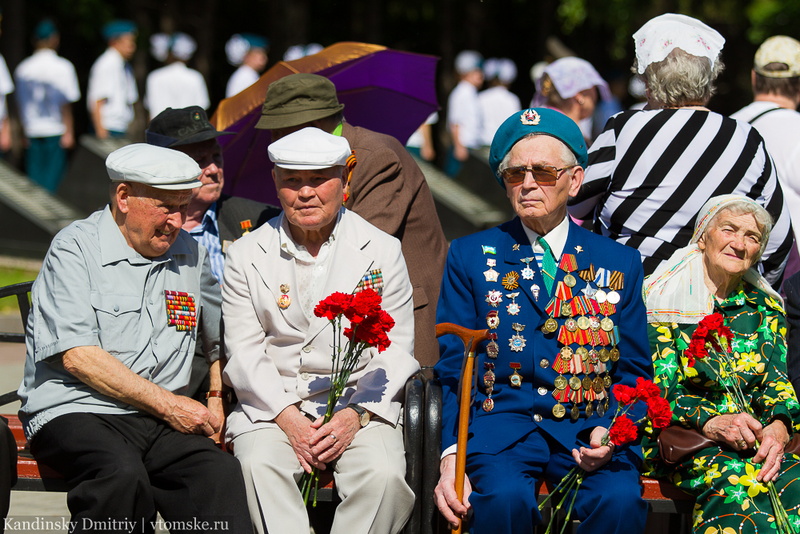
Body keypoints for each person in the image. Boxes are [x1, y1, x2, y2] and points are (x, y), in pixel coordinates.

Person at [433, 108, 653, 534]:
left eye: (544, 172)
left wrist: (612, 432)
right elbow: (452, 369)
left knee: (620, 501)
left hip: (590, 429)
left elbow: (633, 372)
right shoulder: (471, 254)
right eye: (516, 173)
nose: (529, 183)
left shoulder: (618, 262)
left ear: (574, 181)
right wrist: (449, 457)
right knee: (503, 501)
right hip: (502, 431)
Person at [17, 143, 252, 533]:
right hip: (77, 409)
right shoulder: (75, 248)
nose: (177, 221)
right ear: (124, 197)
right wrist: (170, 406)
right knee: (119, 476)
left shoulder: (189, 253)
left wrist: (214, 394)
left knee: (218, 475)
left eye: (183, 206)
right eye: (166, 206)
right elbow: (78, 356)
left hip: (157, 418)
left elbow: (220, 334)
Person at [222, 127, 418, 534]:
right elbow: (244, 351)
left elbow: (396, 350)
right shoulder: (245, 254)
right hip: (272, 408)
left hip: (360, 406)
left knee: (383, 478)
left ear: (346, 179)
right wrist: (288, 418)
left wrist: (353, 415)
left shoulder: (382, 250)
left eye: (318, 179)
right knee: (258, 467)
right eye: (292, 180)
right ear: (275, 183)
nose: (305, 192)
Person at [568, 13, 792, 287]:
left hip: (628, 300)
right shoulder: (747, 139)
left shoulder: (623, 129)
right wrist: (745, 293)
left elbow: (574, 201)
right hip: (714, 312)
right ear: (710, 79)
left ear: (650, 83)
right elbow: (778, 240)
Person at [256, 73, 447, 367]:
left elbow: (357, 247)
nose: (272, 141)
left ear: (307, 127)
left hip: (400, 318)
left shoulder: (376, 157)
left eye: (278, 131)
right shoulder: (307, 161)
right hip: (351, 317)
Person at [642, 194, 800, 534]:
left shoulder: (765, 307)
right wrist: (711, 420)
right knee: (737, 485)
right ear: (703, 235)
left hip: (753, 438)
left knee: (794, 481)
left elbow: (777, 379)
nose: (739, 244)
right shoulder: (661, 299)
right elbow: (656, 390)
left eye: (752, 236)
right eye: (729, 230)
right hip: (688, 436)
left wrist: (778, 423)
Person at [146, 105, 281, 284]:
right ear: (163, 166)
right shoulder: (134, 225)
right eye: (200, 160)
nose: (214, 169)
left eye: (216, 156)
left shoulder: (262, 220)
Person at [732, 36, 800, 261]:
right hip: (788, 278)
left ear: (754, 77)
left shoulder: (726, 127)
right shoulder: (796, 129)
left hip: (732, 268)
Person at [14, 19, 80, 192]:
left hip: (32, 129)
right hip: (55, 129)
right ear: (54, 39)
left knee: (34, 180)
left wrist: (22, 131)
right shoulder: (64, 67)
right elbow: (65, 103)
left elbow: (20, 104)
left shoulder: (23, 68)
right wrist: (69, 131)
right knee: (53, 181)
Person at [532, 56, 611, 142]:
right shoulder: (565, 133)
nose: (596, 95)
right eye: (594, 88)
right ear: (580, 95)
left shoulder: (541, 122)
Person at [86, 20, 138, 139]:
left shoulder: (124, 66)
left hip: (120, 127)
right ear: (114, 42)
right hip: (108, 127)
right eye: (129, 42)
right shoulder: (106, 64)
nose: (132, 47)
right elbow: (97, 101)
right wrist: (101, 133)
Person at [145, 32, 209, 118]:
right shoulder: (195, 77)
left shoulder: (155, 77)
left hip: (161, 129)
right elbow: (202, 107)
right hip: (190, 129)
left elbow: (151, 110)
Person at [445, 50, 484, 177]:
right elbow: (455, 122)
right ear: (466, 73)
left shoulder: (471, 92)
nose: (480, 75)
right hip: (462, 147)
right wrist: (458, 146)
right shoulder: (461, 93)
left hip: (471, 146)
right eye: (476, 71)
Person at [479, 58, 521, 147]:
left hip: (483, 146)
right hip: (503, 147)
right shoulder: (512, 99)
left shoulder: (481, 97)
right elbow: (515, 126)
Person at [225, 33, 268, 98]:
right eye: (259, 52)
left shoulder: (248, 74)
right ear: (246, 55)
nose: (264, 57)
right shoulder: (245, 76)